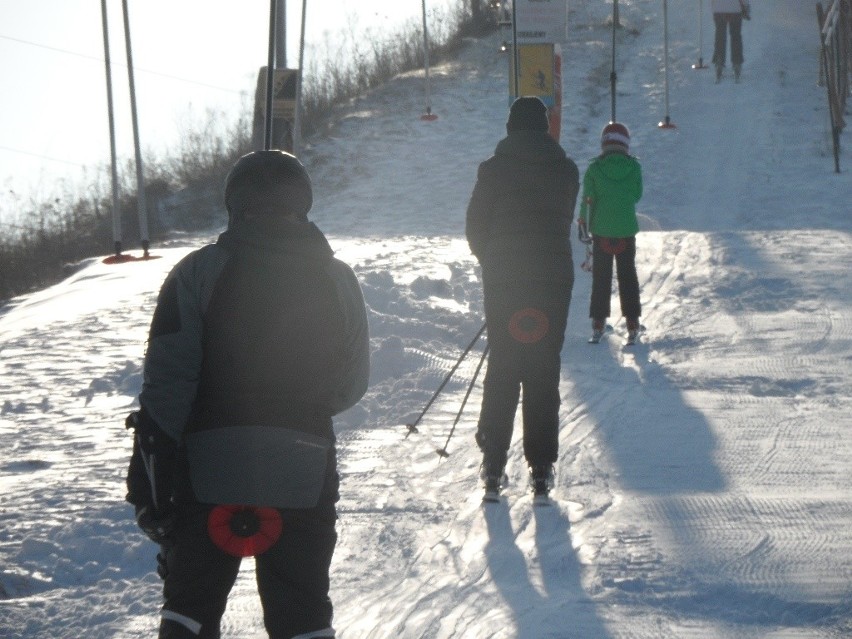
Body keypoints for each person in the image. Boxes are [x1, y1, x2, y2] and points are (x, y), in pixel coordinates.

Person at [125, 150, 370, 639]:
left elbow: (167, 388)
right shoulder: (337, 278)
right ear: (303, 202)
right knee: (302, 612)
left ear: (233, 204)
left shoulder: (195, 273)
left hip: (206, 467)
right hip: (302, 462)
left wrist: (151, 480)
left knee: (189, 610)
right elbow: (349, 385)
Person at [465, 96, 579, 503]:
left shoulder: (493, 170)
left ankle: (493, 464)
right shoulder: (566, 170)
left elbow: (475, 225)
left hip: (505, 278)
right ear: (545, 127)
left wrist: (491, 260)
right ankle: (542, 468)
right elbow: (562, 219)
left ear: (511, 127)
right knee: (543, 367)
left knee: (504, 365)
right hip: (551, 279)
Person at [577, 122, 643, 345]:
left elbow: (587, 199)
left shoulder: (595, 169)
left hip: (601, 232)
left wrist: (583, 223)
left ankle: (598, 323)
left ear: (603, 144)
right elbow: (637, 195)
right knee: (628, 277)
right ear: (626, 144)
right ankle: (632, 323)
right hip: (626, 232)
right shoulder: (634, 168)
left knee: (601, 278)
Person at [711, 0, 749, 82]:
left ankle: (719, 62)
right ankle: (736, 63)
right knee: (736, 36)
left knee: (720, 36)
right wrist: (745, 6)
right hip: (735, 8)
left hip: (719, 8)